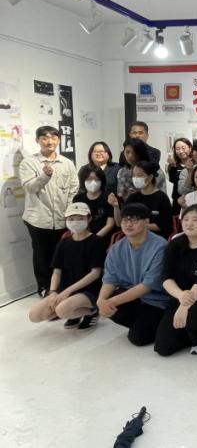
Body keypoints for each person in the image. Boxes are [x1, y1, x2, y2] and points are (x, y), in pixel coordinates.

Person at [154, 205, 197, 357]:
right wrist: (180, 296)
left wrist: (184, 306)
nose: (189, 223)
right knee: (163, 347)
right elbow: (166, 277)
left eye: (195, 220)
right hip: (180, 295)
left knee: (192, 316)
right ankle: (187, 331)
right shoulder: (175, 244)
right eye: (185, 219)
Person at [97, 203, 169, 346]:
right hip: (133, 296)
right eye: (125, 220)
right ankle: (142, 323)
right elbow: (110, 279)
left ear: (147, 221)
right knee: (110, 306)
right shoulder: (117, 248)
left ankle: (154, 323)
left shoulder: (160, 246)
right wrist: (101, 300)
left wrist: (111, 302)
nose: (128, 224)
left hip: (157, 300)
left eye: (134, 220)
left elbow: (148, 285)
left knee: (138, 339)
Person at [28, 202, 106, 331]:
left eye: (80, 218)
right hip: (65, 288)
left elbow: (95, 273)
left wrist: (67, 292)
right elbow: (56, 271)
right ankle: (73, 311)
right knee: (35, 315)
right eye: (71, 219)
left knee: (61, 310)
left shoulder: (97, 241)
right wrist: (53, 292)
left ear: (89, 218)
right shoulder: (64, 242)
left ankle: (92, 312)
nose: (75, 222)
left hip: (90, 289)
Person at [20, 126, 79, 296]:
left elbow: (73, 189)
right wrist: (45, 176)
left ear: (59, 140)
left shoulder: (67, 163)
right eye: (44, 138)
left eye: (53, 137)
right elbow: (30, 188)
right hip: (38, 219)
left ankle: (60, 286)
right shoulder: (29, 163)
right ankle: (44, 287)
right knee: (41, 255)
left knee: (61, 254)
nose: (49, 141)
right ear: (37, 140)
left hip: (62, 218)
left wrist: (69, 212)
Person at [111, 161, 173, 239]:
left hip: (155, 238)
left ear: (150, 177)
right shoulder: (133, 197)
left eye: (139, 175)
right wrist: (116, 207)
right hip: (133, 238)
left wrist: (141, 225)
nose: (136, 178)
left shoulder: (162, 198)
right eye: (134, 175)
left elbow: (165, 226)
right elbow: (119, 223)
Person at [72, 165, 115, 244]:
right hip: (82, 237)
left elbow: (110, 224)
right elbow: (75, 221)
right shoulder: (78, 198)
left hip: (102, 239)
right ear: (83, 180)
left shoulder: (109, 198)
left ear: (102, 181)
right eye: (89, 179)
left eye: (97, 179)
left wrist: (93, 239)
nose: (93, 182)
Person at [167, 137, 192, 215]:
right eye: (177, 149)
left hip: (193, 199)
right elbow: (173, 180)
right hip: (177, 200)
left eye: (183, 148)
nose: (181, 151)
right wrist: (173, 166)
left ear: (190, 148)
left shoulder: (195, 164)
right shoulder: (173, 165)